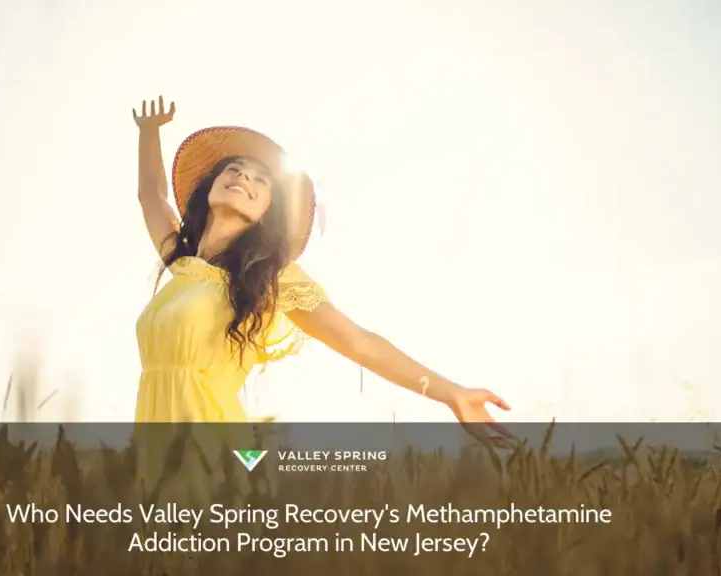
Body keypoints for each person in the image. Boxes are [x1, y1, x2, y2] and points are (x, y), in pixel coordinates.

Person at [131, 96, 513, 441]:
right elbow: (152, 194)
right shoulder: (183, 265)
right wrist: (149, 132)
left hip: (213, 448)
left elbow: (360, 343)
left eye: (260, 180)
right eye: (234, 169)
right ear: (211, 187)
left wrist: (453, 394)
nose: (243, 177)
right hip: (153, 449)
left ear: (267, 215)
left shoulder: (269, 280)